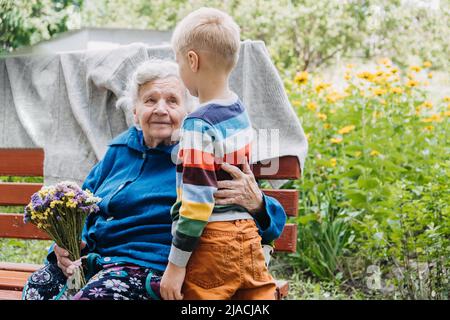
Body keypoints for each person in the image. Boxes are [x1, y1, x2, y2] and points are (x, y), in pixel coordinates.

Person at [22, 58, 286, 300]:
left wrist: (258, 204)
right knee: (38, 286)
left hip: (151, 271)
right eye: (150, 101)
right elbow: (83, 205)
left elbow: (261, 221)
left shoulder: (201, 155)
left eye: (172, 101)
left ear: (188, 112)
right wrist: (65, 249)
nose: (161, 109)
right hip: (95, 262)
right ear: (135, 111)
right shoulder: (120, 149)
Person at [160, 8, 280, 300]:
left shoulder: (197, 124)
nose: (180, 70)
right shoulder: (238, 109)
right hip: (248, 238)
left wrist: (175, 267)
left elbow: (196, 202)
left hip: (213, 244)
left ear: (192, 60)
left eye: (179, 62)